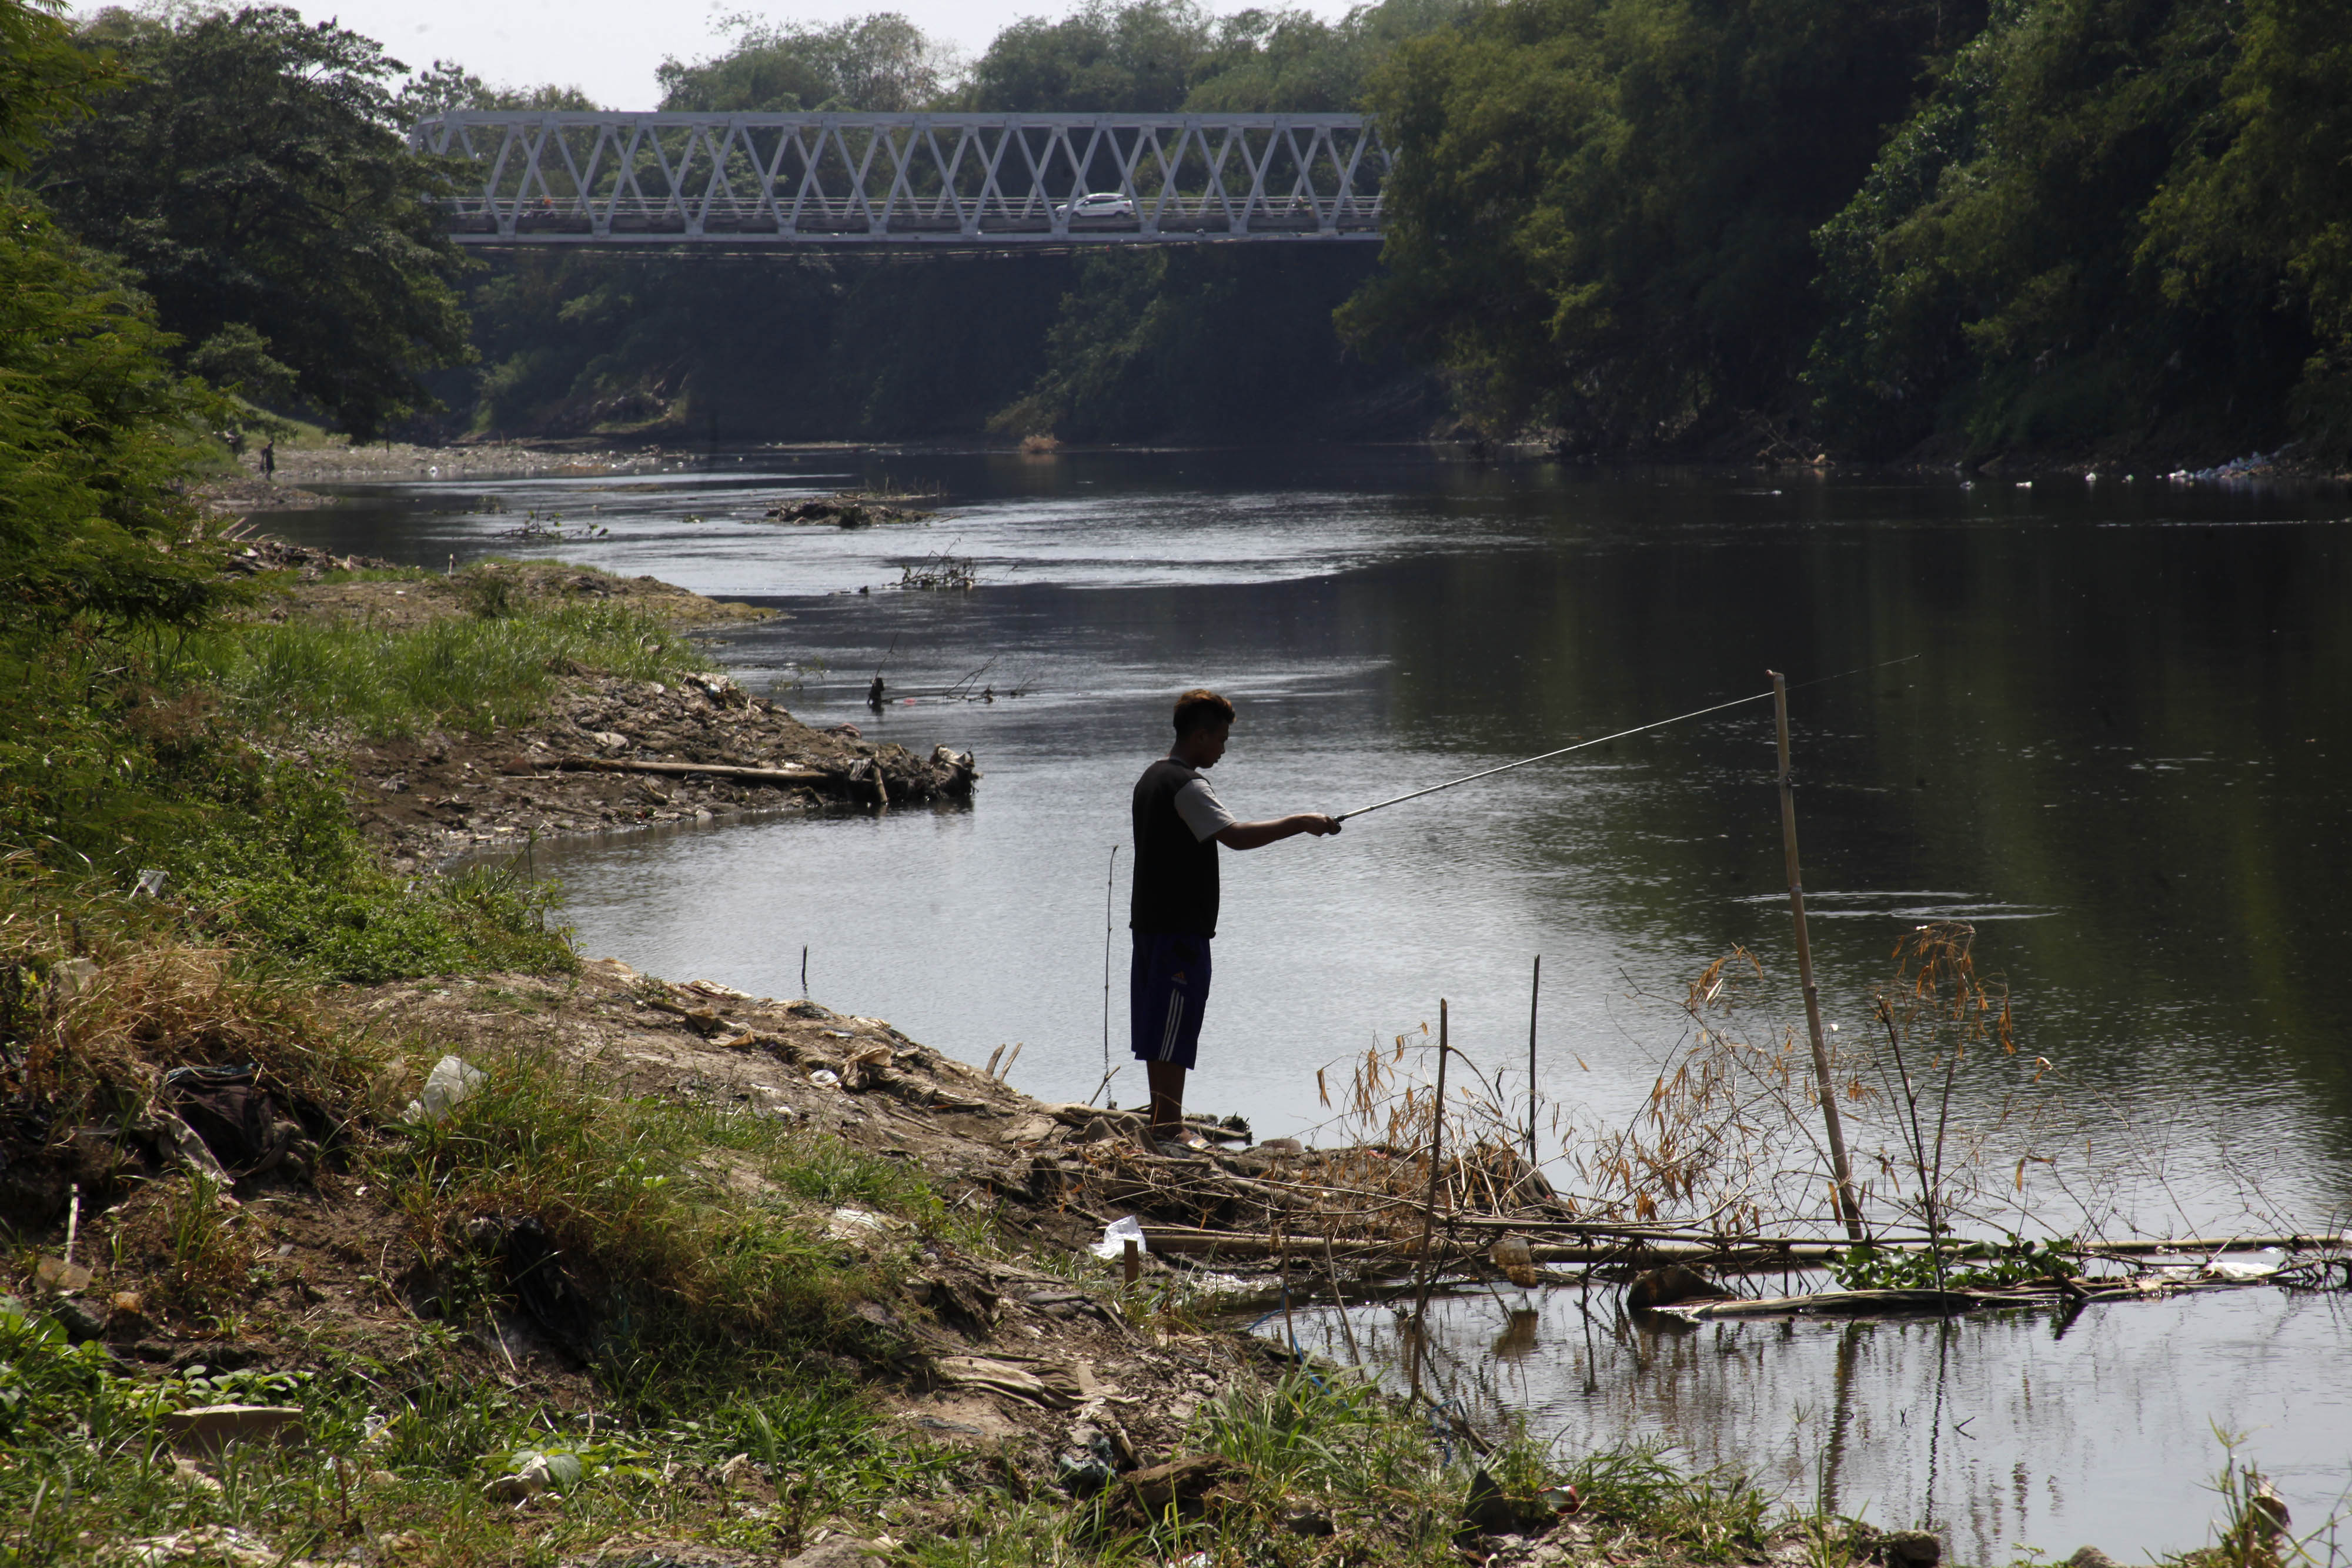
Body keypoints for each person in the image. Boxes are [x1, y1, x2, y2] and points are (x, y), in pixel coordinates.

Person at [1130, 688, 1339, 1152]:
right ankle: (1168, 1126)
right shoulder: (1187, 785)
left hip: (1149, 927)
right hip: (1178, 931)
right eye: (1221, 739)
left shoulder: (1150, 777)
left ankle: (1165, 1118)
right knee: (1173, 1027)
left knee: (1159, 1026)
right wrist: (1301, 822)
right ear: (1200, 735)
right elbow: (1236, 836)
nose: (1223, 748)